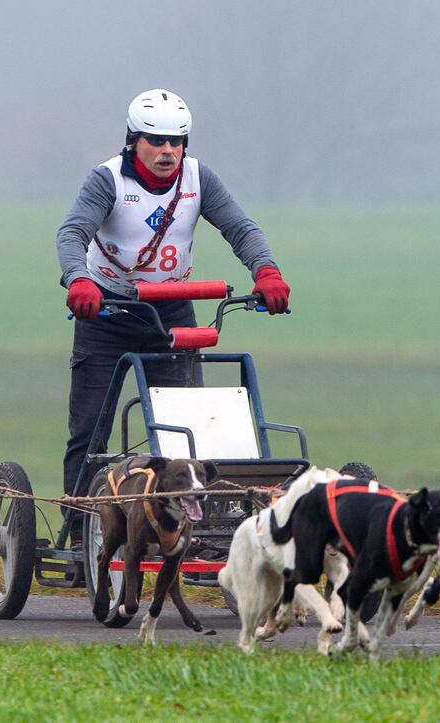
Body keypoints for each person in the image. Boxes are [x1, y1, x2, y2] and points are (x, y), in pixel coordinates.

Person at [55, 88, 290, 499]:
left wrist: (266, 271)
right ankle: (81, 531)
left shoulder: (199, 179)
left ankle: (189, 527)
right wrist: (78, 279)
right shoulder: (107, 179)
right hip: (107, 312)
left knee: (187, 427)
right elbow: (72, 233)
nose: (167, 151)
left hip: (171, 311)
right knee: (90, 432)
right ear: (134, 140)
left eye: (176, 141)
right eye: (156, 140)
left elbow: (242, 228)